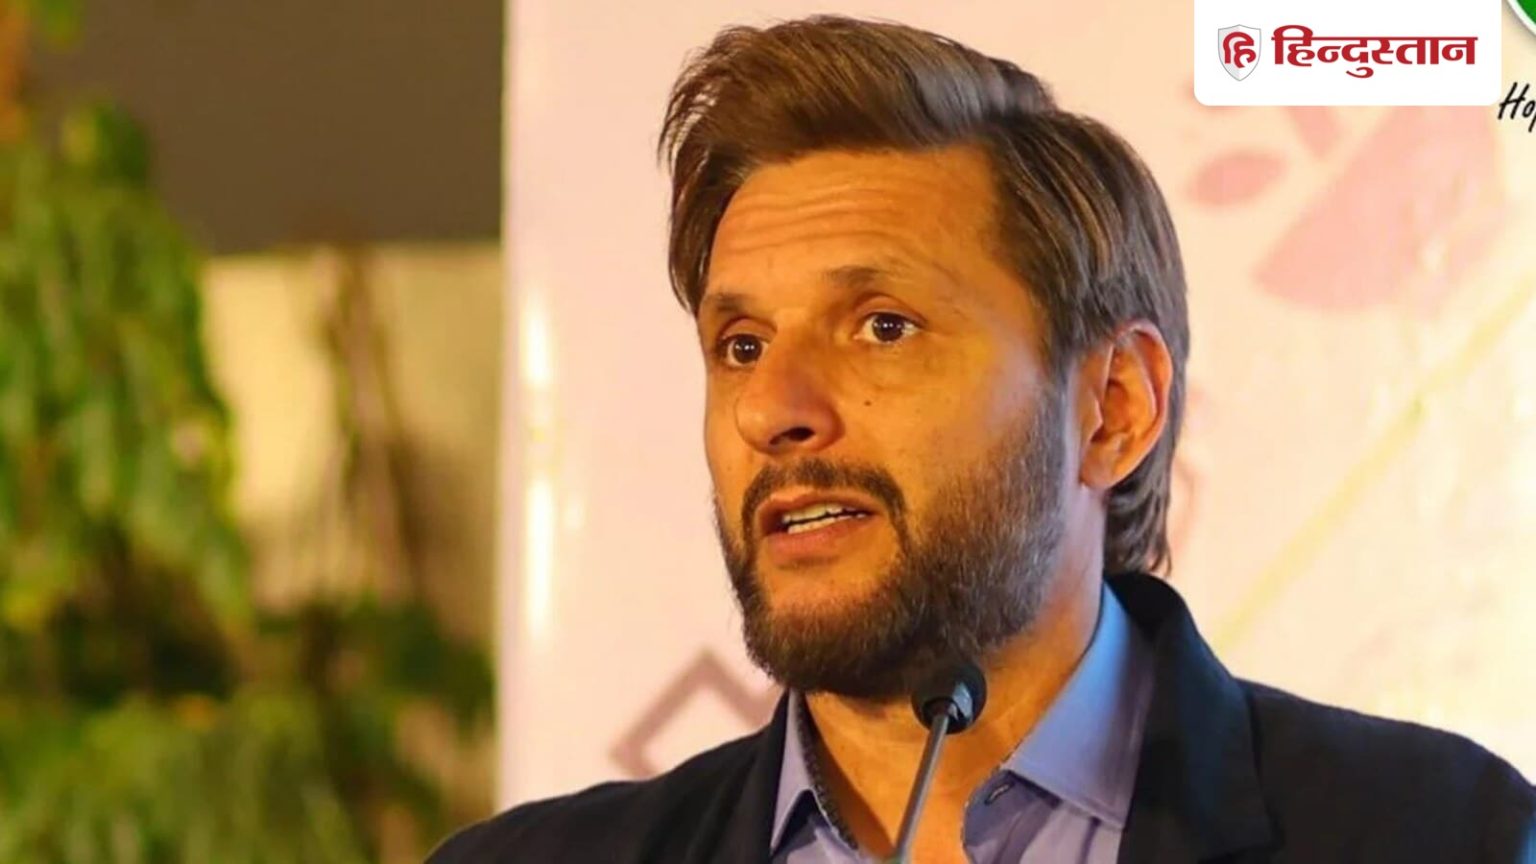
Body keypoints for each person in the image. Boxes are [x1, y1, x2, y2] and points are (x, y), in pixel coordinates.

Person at [430, 15, 1536, 864]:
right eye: (742, 344)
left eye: (883, 327)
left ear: (1114, 407)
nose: (773, 408)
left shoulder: (1440, 834)